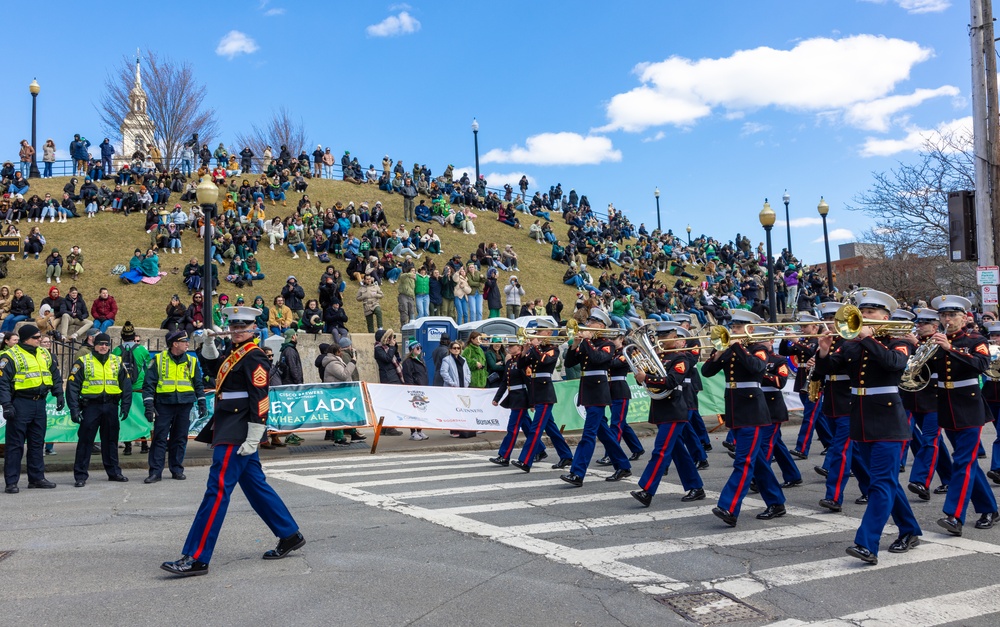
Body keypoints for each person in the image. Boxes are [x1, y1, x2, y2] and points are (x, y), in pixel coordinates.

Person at [161, 306, 304, 577]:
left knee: (216, 491)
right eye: (233, 325)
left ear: (253, 328)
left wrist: (254, 434)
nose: (236, 330)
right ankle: (289, 534)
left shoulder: (254, 356)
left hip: (238, 429)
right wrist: (209, 343)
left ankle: (196, 556)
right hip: (228, 424)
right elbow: (213, 368)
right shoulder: (235, 354)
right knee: (255, 487)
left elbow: (260, 397)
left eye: (242, 326)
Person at [816, 290, 922, 564]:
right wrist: (825, 350)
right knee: (885, 482)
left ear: (885, 317)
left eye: (870, 313)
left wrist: (869, 338)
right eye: (862, 312)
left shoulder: (898, 341)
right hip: (860, 419)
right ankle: (910, 530)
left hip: (888, 420)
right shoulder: (850, 344)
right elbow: (827, 370)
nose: (863, 317)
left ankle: (867, 543)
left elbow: (894, 364)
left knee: (880, 484)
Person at [701, 309, 786, 525]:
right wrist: (718, 353)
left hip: (752, 411)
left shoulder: (757, 349)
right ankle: (776, 502)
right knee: (756, 461)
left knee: (744, 461)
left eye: (737, 327)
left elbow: (757, 369)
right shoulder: (730, 349)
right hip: (736, 410)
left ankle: (729, 507)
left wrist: (737, 346)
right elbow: (707, 372)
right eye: (733, 327)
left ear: (750, 329)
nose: (733, 330)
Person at [928, 294, 1000, 535]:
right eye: (943, 315)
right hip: (946, 406)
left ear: (964, 317)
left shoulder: (975, 339)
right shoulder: (934, 341)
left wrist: (950, 349)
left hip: (970, 408)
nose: (947, 319)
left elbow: (981, 365)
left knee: (962, 461)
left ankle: (954, 515)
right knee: (966, 462)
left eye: (952, 315)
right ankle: (989, 508)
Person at [630, 324, 706, 507]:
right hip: (661, 408)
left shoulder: (682, 357)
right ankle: (696, 487)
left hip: (674, 408)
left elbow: (672, 381)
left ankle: (647, 490)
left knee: (661, 450)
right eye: (660, 336)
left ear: (676, 337)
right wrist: (641, 377)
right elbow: (648, 383)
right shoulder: (659, 357)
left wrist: (646, 378)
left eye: (666, 335)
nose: (661, 339)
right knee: (678, 451)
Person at [559, 309, 631, 486]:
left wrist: (587, 341)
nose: (587, 325)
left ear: (600, 326)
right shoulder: (587, 342)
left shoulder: (608, 344)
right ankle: (622, 466)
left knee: (588, 434)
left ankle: (577, 473)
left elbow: (598, 359)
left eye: (591, 322)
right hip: (588, 389)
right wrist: (575, 344)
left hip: (599, 391)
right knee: (604, 433)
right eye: (588, 322)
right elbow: (569, 363)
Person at [1, 324, 65, 492]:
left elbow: (55, 375)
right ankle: (11, 482)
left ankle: (36, 478)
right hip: (20, 402)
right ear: (26, 339)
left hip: (40, 402)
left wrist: (59, 394)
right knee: (15, 444)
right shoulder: (10, 356)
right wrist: (6, 405)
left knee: (37, 442)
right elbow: (3, 384)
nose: (40, 340)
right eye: (37, 338)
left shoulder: (45, 354)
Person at [65, 332, 132, 487]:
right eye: (100, 344)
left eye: (106, 344)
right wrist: (74, 409)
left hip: (111, 406)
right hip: (91, 407)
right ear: (94, 345)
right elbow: (72, 387)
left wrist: (126, 405)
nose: (103, 347)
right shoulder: (83, 361)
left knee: (111, 441)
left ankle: (114, 472)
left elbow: (126, 385)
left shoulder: (117, 361)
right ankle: (80, 475)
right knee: (85, 441)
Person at [142, 330, 207, 483]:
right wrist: (149, 406)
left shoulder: (191, 360)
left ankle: (176, 469)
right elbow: (149, 384)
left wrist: (202, 401)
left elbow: (198, 383)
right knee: (159, 439)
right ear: (175, 344)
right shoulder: (158, 359)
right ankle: (155, 472)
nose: (187, 344)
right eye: (184, 342)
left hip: (184, 405)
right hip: (164, 405)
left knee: (180, 438)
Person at [511, 323, 575, 472]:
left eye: (540, 332)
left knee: (536, 428)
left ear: (548, 333)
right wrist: (525, 350)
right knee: (550, 427)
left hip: (545, 392)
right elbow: (521, 364)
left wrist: (536, 347)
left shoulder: (553, 349)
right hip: (536, 390)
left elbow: (545, 361)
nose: (537, 334)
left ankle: (525, 461)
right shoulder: (535, 349)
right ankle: (566, 455)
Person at [903, 308, 953, 500]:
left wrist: (915, 344)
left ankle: (920, 481)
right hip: (915, 397)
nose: (919, 326)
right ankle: (948, 478)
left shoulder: (940, 341)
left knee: (930, 439)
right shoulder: (914, 341)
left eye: (923, 323)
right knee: (934, 440)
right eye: (919, 323)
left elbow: (936, 361)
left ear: (934, 326)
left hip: (934, 398)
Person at [778, 313, 831, 458]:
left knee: (809, 415)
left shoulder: (817, 340)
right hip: (802, 378)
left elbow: (810, 351)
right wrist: (785, 338)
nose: (802, 329)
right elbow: (784, 352)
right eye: (801, 326)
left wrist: (795, 340)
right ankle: (830, 443)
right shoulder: (803, 340)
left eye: (805, 326)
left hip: (815, 381)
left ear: (815, 327)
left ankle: (802, 448)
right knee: (817, 415)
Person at [596, 334, 644, 466]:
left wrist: (604, 357)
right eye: (609, 339)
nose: (610, 342)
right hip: (609, 389)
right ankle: (637, 448)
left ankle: (611, 454)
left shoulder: (626, 352)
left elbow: (615, 363)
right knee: (622, 423)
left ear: (621, 339)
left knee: (616, 424)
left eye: (613, 339)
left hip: (620, 389)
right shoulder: (611, 351)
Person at [489, 342, 538, 465]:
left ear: (519, 348)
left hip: (521, 398)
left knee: (512, 428)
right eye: (509, 346)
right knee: (526, 425)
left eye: (512, 346)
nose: (509, 348)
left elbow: (529, 383)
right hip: (514, 397)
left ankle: (504, 456)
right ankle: (540, 449)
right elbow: (505, 382)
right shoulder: (510, 362)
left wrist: (532, 403)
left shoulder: (523, 362)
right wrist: (497, 398)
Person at [113, 322, 151, 456]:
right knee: (142, 417)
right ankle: (144, 444)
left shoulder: (116, 351)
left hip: (123, 390)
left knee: (126, 417)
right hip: (139, 389)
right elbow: (148, 370)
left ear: (122, 336)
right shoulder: (142, 350)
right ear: (134, 336)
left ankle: (128, 446)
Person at [373, 329, 404, 436]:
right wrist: (391, 347)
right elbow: (387, 359)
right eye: (389, 337)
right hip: (388, 378)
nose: (391, 339)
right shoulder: (378, 349)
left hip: (393, 376)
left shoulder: (388, 348)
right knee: (391, 403)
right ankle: (390, 427)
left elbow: (397, 358)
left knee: (391, 403)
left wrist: (394, 348)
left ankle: (384, 427)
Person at [440, 340, 473, 438]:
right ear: (450, 349)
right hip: (452, 389)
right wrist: (452, 383)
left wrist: (467, 381)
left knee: (462, 409)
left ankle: (461, 428)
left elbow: (468, 372)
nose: (456, 350)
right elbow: (444, 372)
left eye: (458, 348)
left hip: (463, 387)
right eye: (454, 348)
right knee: (453, 409)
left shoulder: (463, 359)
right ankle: (454, 430)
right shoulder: (447, 359)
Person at [401, 340, 428, 441]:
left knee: (421, 411)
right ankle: (413, 432)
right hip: (414, 390)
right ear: (412, 349)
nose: (419, 350)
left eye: (420, 348)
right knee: (413, 411)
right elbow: (408, 377)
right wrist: (412, 389)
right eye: (417, 348)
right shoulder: (408, 362)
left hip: (422, 388)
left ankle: (420, 430)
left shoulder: (421, 360)